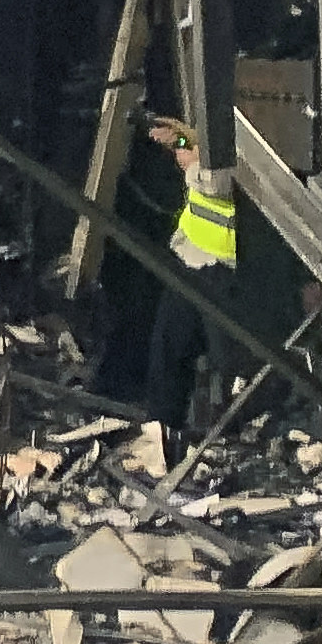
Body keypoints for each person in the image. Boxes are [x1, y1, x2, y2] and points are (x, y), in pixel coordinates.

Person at [141, 116, 237, 438]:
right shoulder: (204, 145)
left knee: (229, 366)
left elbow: (219, 184)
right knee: (169, 352)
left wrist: (191, 160)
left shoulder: (233, 150)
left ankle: (231, 439)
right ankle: (161, 433)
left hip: (224, 270)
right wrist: (181, 141)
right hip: (191, 260)